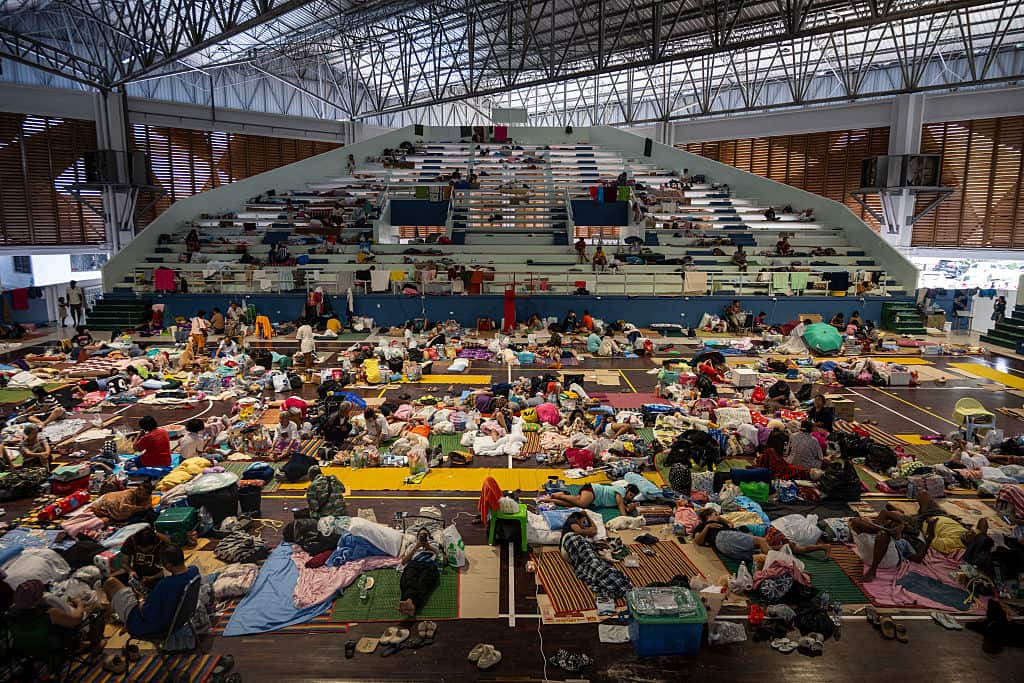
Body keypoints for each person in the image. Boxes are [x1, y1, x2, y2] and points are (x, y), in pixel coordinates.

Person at [103, 545, 199, 640]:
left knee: (110, 583)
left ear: (169, 565)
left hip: (151, 625)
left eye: (162, 564)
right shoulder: (194, 571)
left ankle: (120, 620)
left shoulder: (165, 585)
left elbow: (147, 614)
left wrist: (140, 600)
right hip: (178, 619)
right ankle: (121, 617)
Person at [398, 528, 445, 617]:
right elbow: (403, 562)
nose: (423, 537)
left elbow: (444, 560)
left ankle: (409, 602)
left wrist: (429, 547)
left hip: (429, 564)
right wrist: (416, 547)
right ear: (417, 537)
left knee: (424, 582)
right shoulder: (412, 546)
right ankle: (411, 604)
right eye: (421, 535)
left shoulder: (434, 544)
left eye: (425, 535)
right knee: (409, 580)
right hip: (414, 563)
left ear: (429, 537)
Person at [119, 527, 172, 592]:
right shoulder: (131, 541)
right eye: (140, 548)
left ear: (153, 544)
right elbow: (124, 563)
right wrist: (130, 571)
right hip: (138, 575)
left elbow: (168, 569)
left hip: (158, 576)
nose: (143, 551)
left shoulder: (163, 543)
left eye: (147, 549)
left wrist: (152, 577)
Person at [544, 483, 640, 518]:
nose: (630, 498)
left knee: (573, 505)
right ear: (627, 490)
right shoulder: (621, 492)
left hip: (593, 497)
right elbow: (621, 507)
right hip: (594, 491)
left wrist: (629, 509)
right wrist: (626, 515)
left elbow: (624, 507)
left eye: (632, 497)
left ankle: (552, 500)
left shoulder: (625, 499)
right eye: (630, 495)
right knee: (582, 503)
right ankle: (561, 495)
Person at [90, 481, 155, 523]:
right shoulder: (129, 494)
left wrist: (142, 508)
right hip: (106, 502)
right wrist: (141, 508)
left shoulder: (148, 497)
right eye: (139, 491)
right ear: (137, 489)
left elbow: (148, 506)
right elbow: (123, 507)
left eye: (143, 494)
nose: (140, 495)